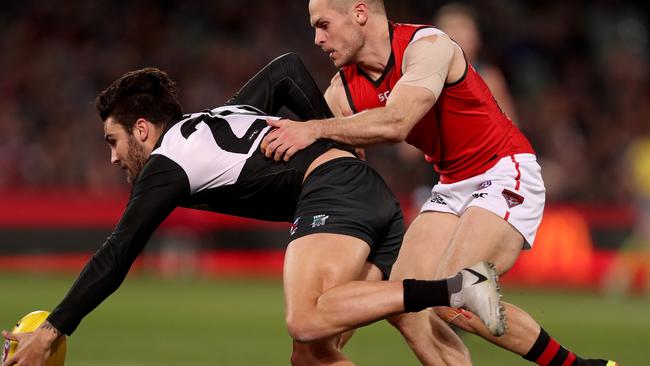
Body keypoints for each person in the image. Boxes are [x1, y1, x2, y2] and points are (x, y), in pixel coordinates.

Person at [1, 54, 504, 366]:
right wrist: (338, 139)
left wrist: (52, 331)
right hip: (367, 195)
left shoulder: (167, 161)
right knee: (313, 356)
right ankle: (459, 290)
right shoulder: (220, 114)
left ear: (141, 129)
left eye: (113, 140)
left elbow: (117, 254)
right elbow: (286, 71)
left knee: (304, 321)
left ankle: (459, 286)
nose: (112, 157)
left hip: (334, 194)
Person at [260, 1, 617, 365]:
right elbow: (342, 170)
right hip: (450, 186)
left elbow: (397, 122)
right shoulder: (341, 92)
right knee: (405, 306)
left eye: (323, 25)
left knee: (457, 295)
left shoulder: (428, 45)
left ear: (360, 13)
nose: (318, 40)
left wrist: (312, 128)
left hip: (503, 171)